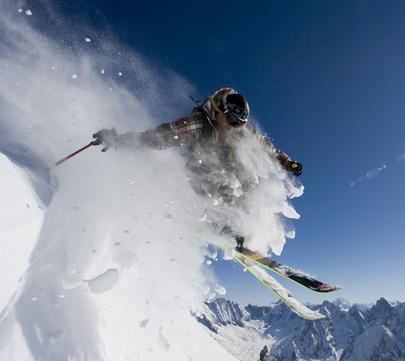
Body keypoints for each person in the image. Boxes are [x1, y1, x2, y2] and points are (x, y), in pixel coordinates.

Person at [92, 87, 302, 246]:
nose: (233, 126)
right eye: (230, 119)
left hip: (227, 173)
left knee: (249, 176)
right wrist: (119, 140)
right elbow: (159, 137)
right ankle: (216, 222)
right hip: (202, 173)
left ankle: (237, 225)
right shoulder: (199, 123)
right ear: (221, 110)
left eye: (239, 123)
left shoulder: (239, 130)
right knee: (221, 179)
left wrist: (287, 162)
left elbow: (265, 146)